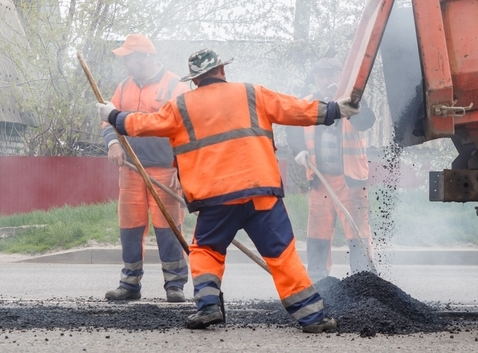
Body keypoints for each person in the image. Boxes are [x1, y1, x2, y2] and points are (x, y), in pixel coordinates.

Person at [96, 49, 359, 333]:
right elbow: (294, 109)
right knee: (282, 255)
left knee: (205, 251)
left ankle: (208, 306)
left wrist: (113, 116)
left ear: (195, 80)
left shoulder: (180, 105)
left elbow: (144, 124)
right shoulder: (252, 93)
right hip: (261, 194)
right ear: (222, 70)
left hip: (215, 198)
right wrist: (335, 109)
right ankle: (312, 318)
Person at [102, 34, 190, 303]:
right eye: (125, 58)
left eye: (131, 58)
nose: (127, 63)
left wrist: (182, 169)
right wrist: (112, 145)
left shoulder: (176, 87)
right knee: (130, 226)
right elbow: (109, 121)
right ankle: (129, 283)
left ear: (147, 57)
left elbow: (187, 131)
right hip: (130, 169)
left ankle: (174, 284)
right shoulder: (123, 87)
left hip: (165, 170)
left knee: (168, 228)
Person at [286, 57, 376, 281]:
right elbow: (293, 127)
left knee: (357, 229)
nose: (327, 80)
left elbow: (366, 122)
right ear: (317, 79)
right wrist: (299, 150)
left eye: (332, 75)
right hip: (320, 179)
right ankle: (318, 278)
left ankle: (364, 277)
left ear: (340, 76)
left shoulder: (352, 101)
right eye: (322, 76)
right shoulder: (308, 103)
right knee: (318, 230)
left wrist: (351, 103)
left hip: (350, 179)